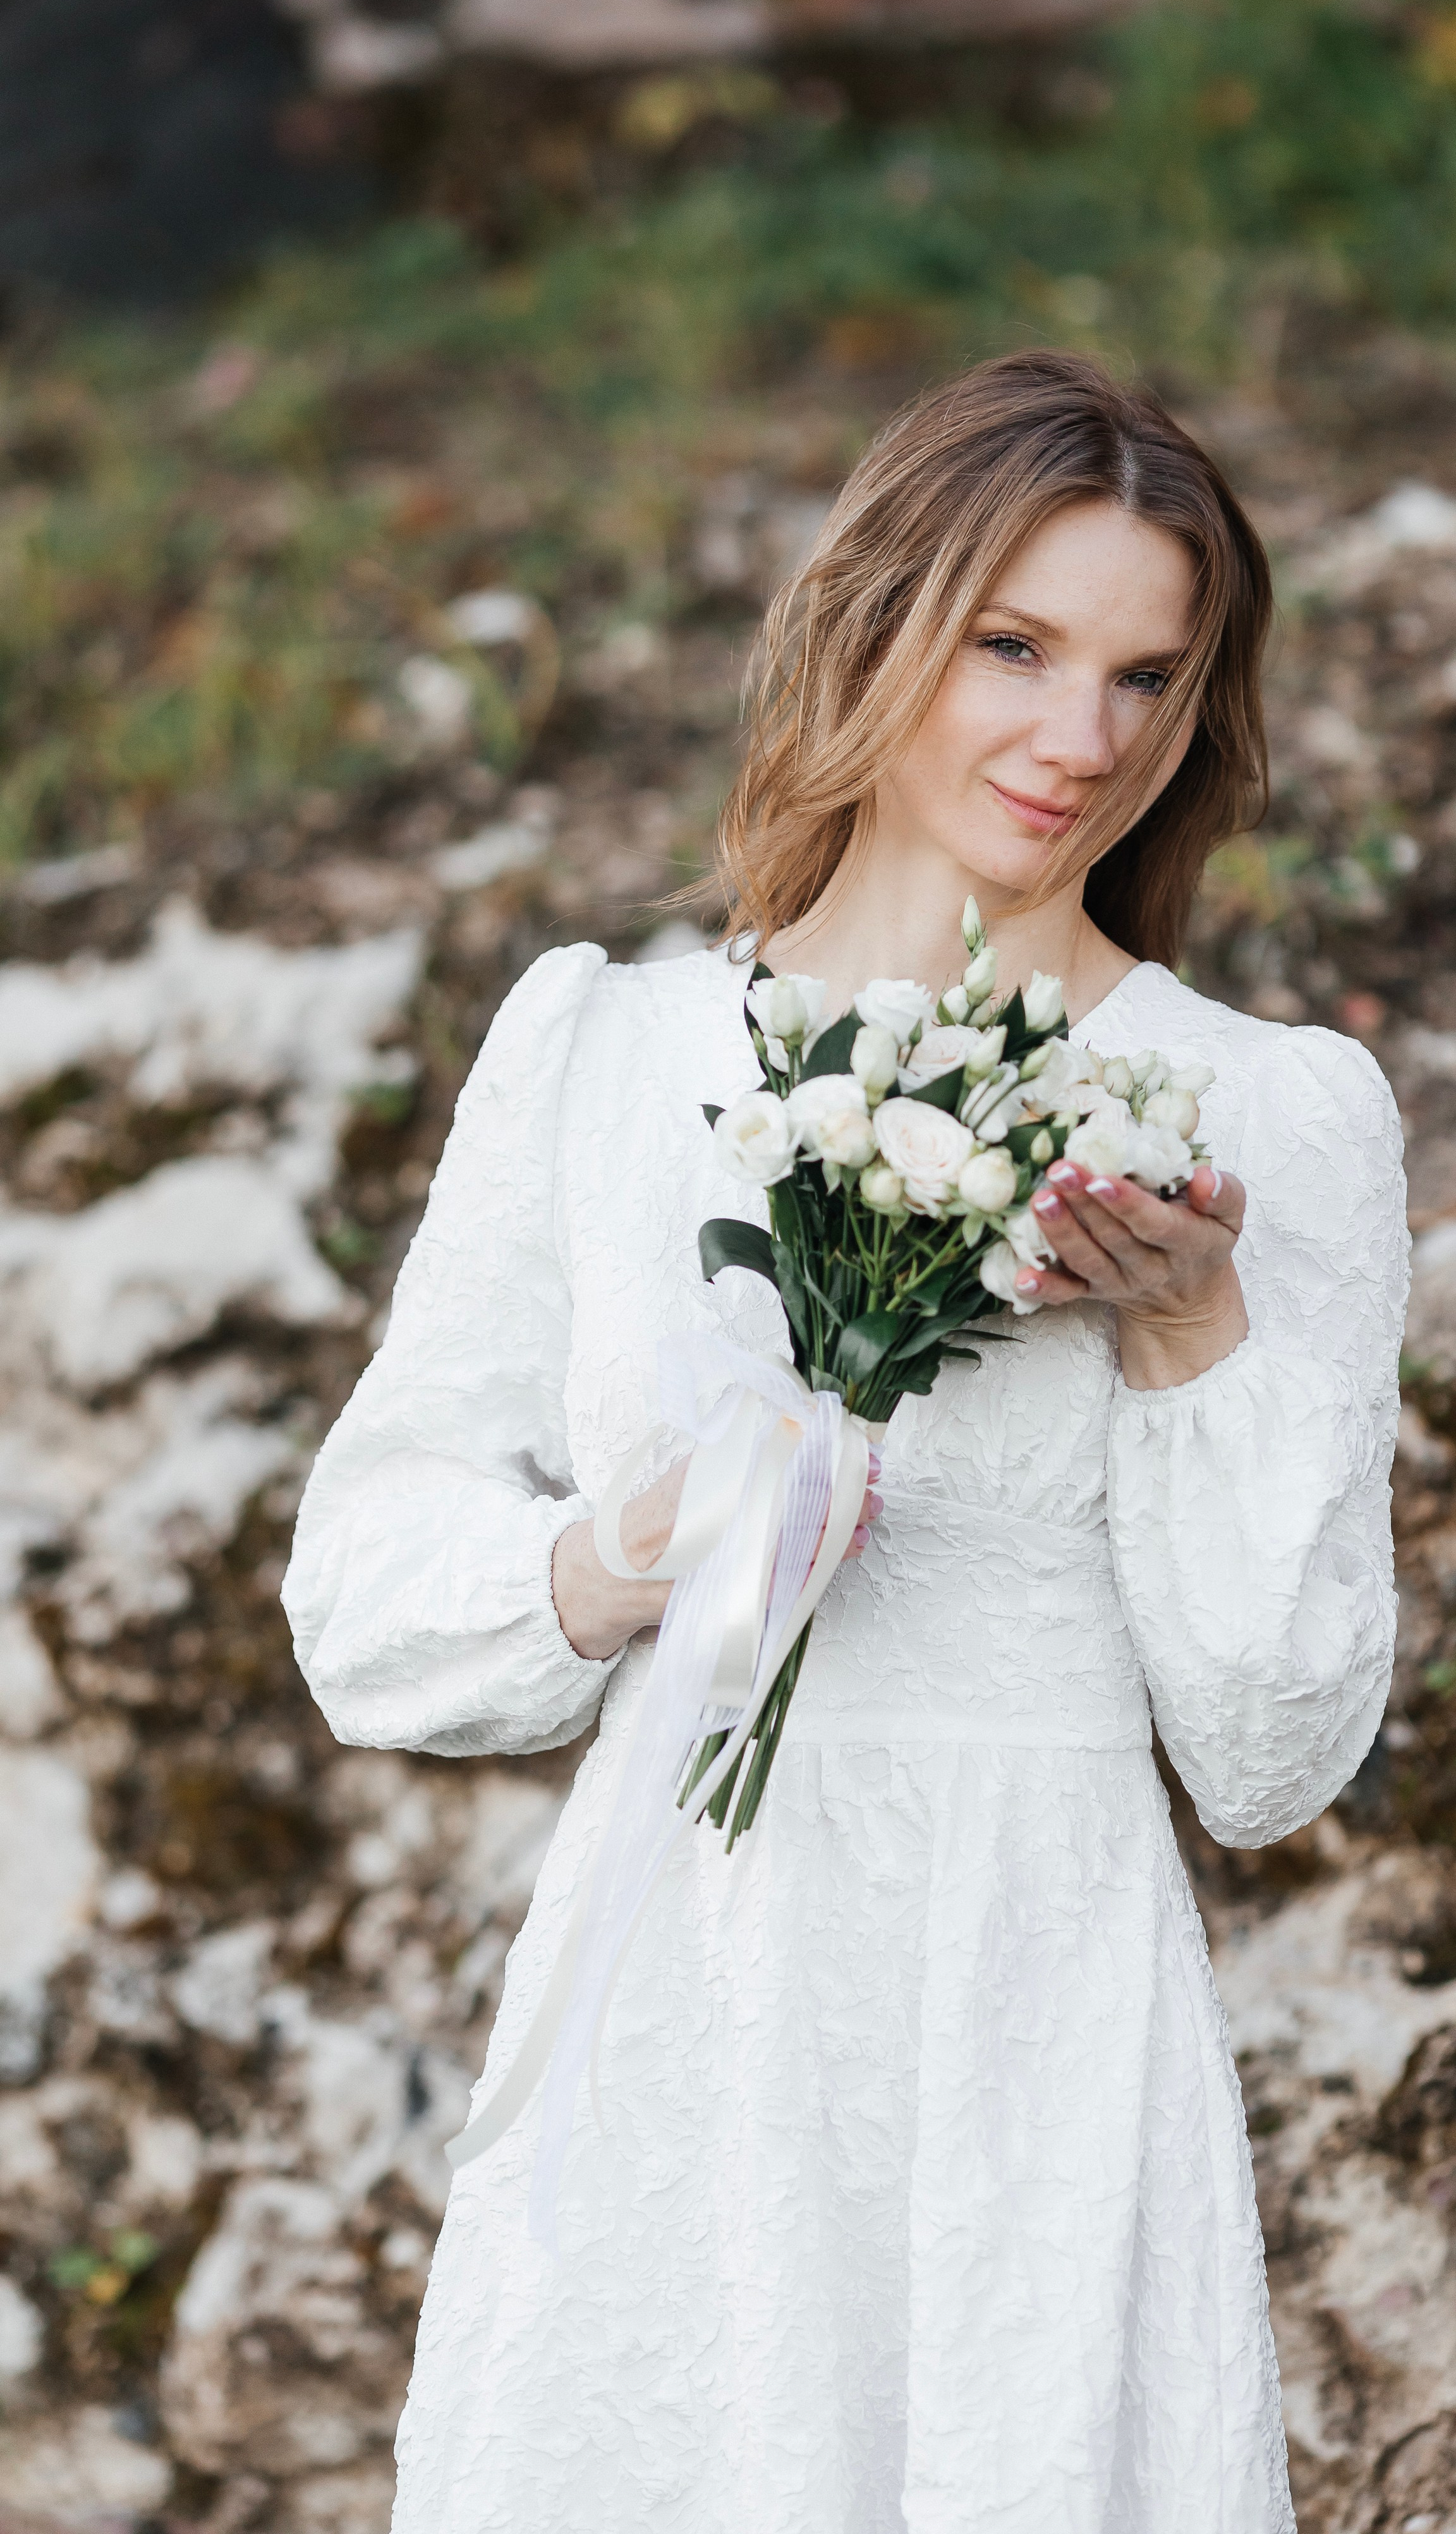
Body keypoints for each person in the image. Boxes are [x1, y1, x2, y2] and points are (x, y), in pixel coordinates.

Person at [282, 351, 1408, 2533]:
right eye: (1017, 646)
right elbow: (360, 1592)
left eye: (1148, 679)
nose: (1082, 740)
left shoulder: (1264, 1117)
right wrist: (629, 1555)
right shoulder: (608, 1052)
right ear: (873, 617)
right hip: (677, 2001)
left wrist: (1189, 1326)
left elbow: (1275, 1757)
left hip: (1038, 2004)